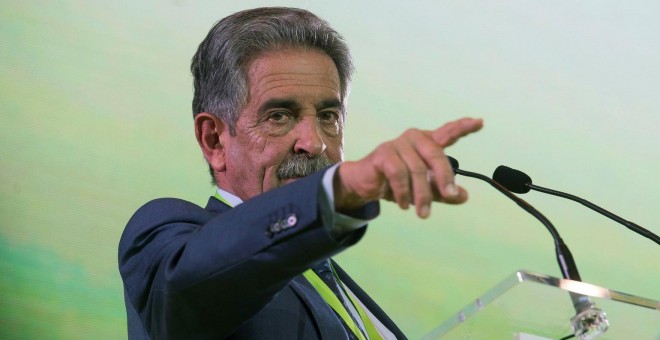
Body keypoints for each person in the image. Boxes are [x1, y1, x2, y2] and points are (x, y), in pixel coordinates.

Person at [118, 7, 483, 340]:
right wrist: (338, 189)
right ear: (214, 139)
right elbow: (187, 287)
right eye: (279, 116)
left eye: (328, 117)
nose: (315, 143)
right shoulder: (164, 238)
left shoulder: (329, 278)